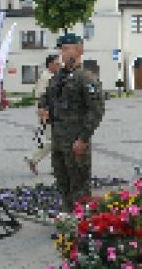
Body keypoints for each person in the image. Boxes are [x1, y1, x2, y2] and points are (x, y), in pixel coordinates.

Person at [39, 34, 104, 213]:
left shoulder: (86, 78)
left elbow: (96, 111)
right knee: (63, 181)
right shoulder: (58, 77)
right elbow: (46, 97)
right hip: (58, 138)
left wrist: (83, 139)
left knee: (79, 184)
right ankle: (68, 220)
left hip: (76, 140)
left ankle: (81, 223)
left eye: (68, 49)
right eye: (62, 49)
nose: (64, 53)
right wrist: (43, 107)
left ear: (79, 51)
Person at [25, 54, 61, 175]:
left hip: (54, 112)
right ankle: (33, 158)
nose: (59, 65)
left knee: (56, 140)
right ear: (50, 64)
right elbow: (40, 95)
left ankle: (55, 167)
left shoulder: (54, 76)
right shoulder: (45, 77)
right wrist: (44, 112)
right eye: (57, 63)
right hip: (47, 112)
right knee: (54, 140)